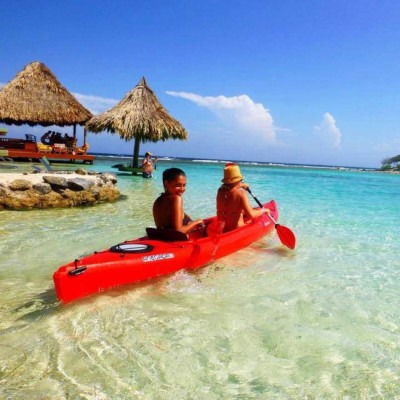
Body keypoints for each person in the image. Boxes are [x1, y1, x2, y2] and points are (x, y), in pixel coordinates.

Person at [216, 163, 269, 232]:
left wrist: (241, 185)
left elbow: (231, 189)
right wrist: (264, 210)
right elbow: (251, 215)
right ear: (238, 180)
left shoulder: (220, 191)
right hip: (237, 229)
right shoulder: (241, 193)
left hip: (223, 228)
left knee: (241, 211)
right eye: (240, 180)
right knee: (254, 217)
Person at [153, 168, 203, 234]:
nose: (182, 189)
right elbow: (178, 231)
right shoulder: (176, 198)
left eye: (184, 185)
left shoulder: (158, 201)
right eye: (178, 185)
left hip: (163, 238)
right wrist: (196, 222)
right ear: (166, 183)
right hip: (179, 241)